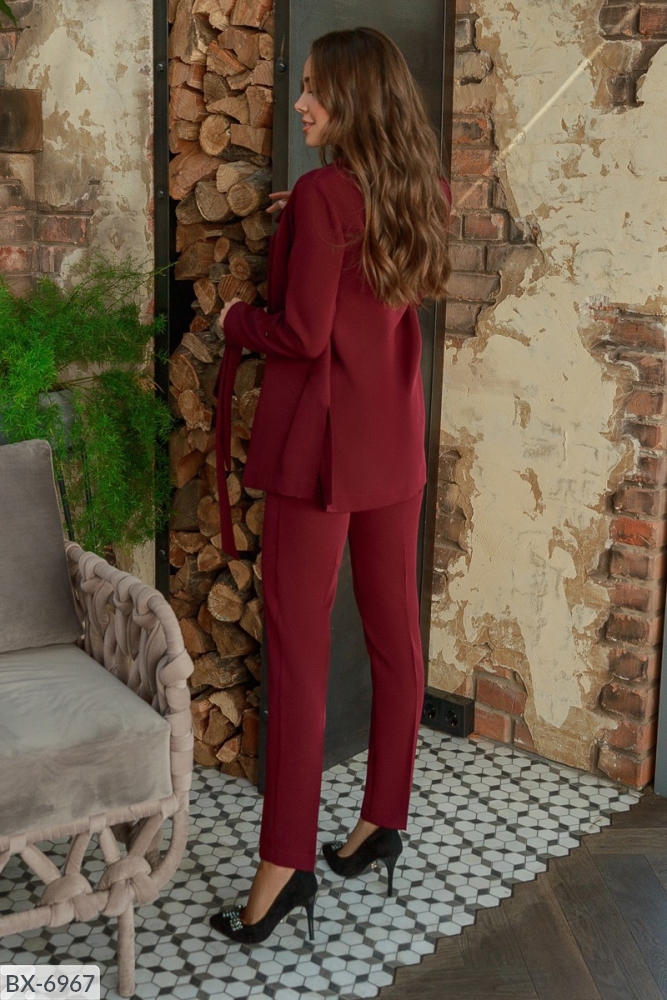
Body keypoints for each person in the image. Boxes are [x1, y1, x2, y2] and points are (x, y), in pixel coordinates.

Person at [209, 26, 451, 945]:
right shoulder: (416, 189)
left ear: (353, 98)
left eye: (314, 89)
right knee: (396, 641)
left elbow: (303, 334)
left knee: (299, 654)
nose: (300, 102)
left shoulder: (323, 196)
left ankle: (284, 867)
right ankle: (382, 819)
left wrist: (237, 319)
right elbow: (357, 274)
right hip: (394, 447)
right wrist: (303, 224)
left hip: (319, 458)